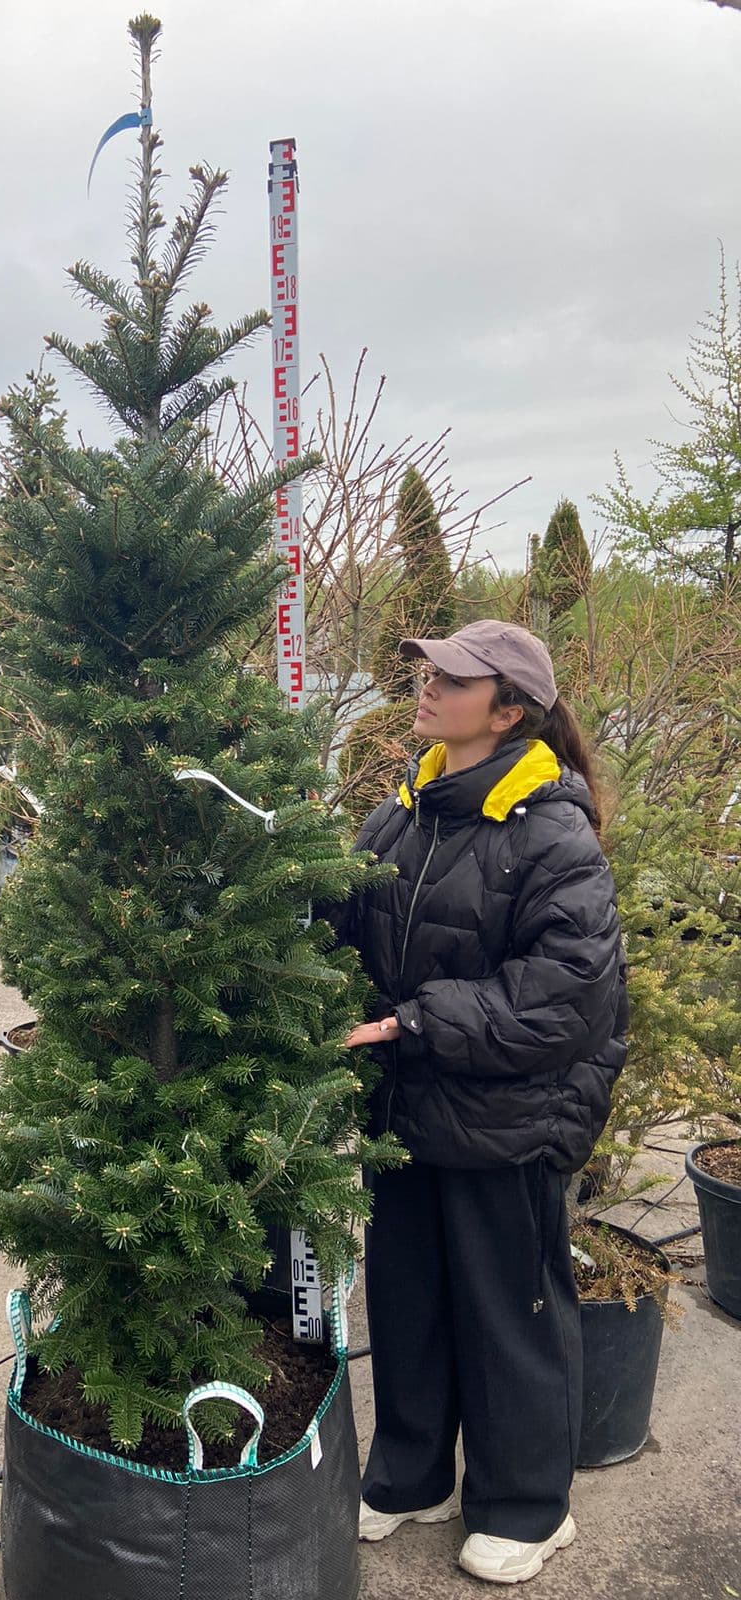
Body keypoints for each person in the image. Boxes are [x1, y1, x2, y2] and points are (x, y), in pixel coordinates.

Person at [323, 619, 628, 1586]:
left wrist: (418, 1022)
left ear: (507, 710)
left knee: (511, 1316)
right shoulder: (404, 811)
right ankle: (413, 1476)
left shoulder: (551, 830)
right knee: (407, 1302)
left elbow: (568, 994)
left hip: (509, 1121)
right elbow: (350, 915)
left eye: (454, 678)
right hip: (407, 1117)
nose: (428, 684)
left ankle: (529, 1507)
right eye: (428, 667)